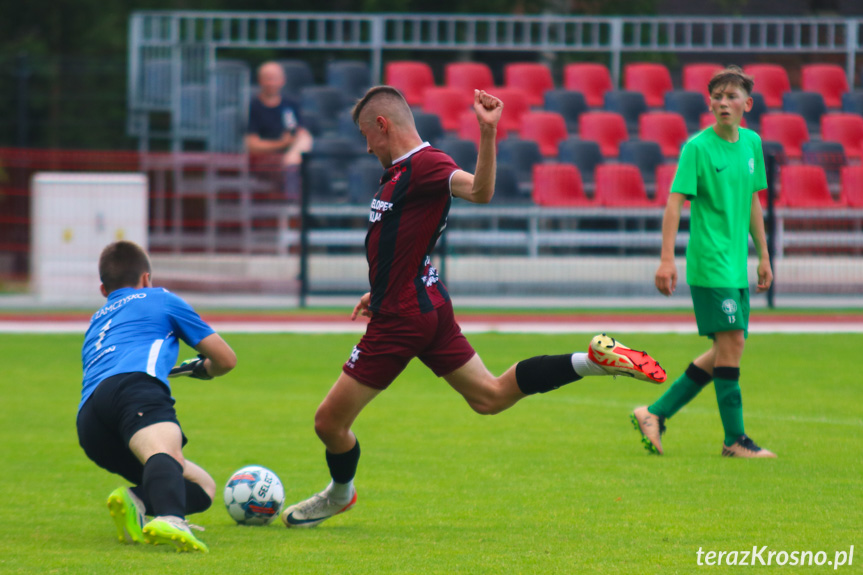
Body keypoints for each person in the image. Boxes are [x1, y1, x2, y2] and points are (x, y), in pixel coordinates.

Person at [280, 85, 668, 529]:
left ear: (383, 126)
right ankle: (593, 362)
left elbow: (480, 191)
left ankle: (339, 494)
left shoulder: (427, 164)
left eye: (368, 135)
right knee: (490, 397)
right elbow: (403, 239)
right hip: (424, 303)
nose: (367, 147)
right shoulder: (401, 172)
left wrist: (488, 133)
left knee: (328, 423)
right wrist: (382, 288)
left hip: (404, 319)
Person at [631, 66, 776, 459]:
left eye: (731, 96)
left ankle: (655, 413)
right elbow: (674, 203)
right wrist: (666, 260)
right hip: (710, 263)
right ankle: (735, 440)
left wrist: (763, 254)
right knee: (732, 344)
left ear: (748, 104)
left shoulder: (751, 144)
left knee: (727, 348)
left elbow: (752, 202)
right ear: (709, 102)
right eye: (717, 96)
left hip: (735, 264)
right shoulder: (697, 147)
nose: (723, 103)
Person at [77, 241, 237, 552]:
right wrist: (202, 369)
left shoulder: (98, 320)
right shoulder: (160, 298)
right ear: (147, 279)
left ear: (103, 289)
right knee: (163, 453)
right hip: (134, 391)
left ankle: (135, 501)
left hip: (89, 421)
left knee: (201, 486)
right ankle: (171, 518)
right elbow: (226, 359)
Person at [245, 61, 314, 199]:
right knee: (293, 162)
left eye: (274, 78)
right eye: (268, 78)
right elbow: (251, 145)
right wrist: (282, 143)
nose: (271, 83)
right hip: (265, 161)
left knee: (305, 139)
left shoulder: (291, 105)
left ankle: (292, 195)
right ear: (260, 81)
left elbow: (300, 133)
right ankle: (291, 197)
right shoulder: (253, 107)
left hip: (290, 155)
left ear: (283, 80)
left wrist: (291, 144)